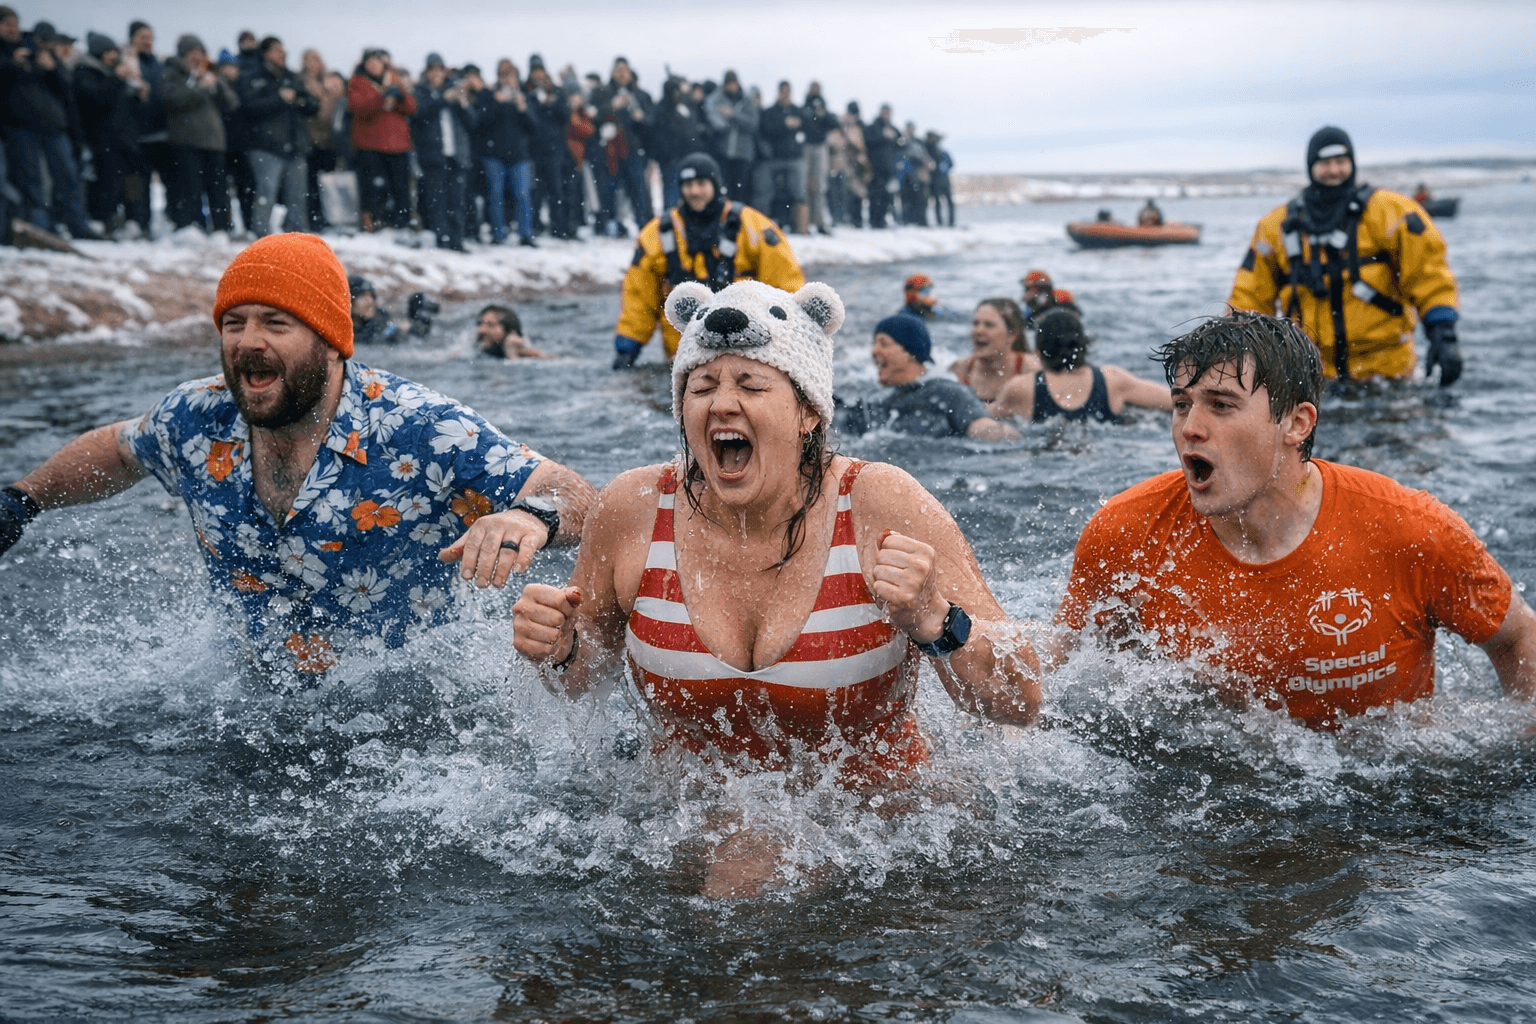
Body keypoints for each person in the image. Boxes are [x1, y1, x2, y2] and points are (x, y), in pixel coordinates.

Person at [511, 279, 1040, 894]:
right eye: (702, 387)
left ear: (808, 409)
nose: (722, 405)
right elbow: (582, 681)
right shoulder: (632, 509)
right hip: (681, 818)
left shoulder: (879, 502)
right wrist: (560, 648)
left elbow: (1019, 700)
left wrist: (934, 621)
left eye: (752, 385)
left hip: (879, 826)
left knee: (747, 873)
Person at [0, 234, 596, 677]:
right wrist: (20, 500)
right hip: (245, 707)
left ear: (330, 342)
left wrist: (528, 517)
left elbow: (577, 494)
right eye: (233, 323)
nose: (248, 342)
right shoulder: (197, 418)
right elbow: (118, 452)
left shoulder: (418, 426)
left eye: (276, 323)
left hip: (411, 722)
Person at [1054, 311, 1536, 730]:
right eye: (1182, 404)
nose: (1190, 428)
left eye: (1221, 405)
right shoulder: (1126, 534)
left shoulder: (1409, 529)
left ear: (1297, 423)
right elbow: (1058, 684)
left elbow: (1518, 638)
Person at [1229, 126, 1461, 385]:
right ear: (1310, 167)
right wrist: (1234, 353)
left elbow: (1429, 274)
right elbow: (1249, 294)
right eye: (1325, 163)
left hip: (1388, 372)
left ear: (1352, 163)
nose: (1334, 170)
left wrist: (1444, 336)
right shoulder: (1275, 227)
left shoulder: (1393, 212)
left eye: (1341, 162)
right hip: (1308, 376)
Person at [611, 151, 804, 367]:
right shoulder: (656, 235)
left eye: (701, 183)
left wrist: (796, 346)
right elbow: (639, 296)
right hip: (684, 360)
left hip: (749, 355)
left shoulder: (754, 227)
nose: (694, 191)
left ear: (715, 184)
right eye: (688, 184)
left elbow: (786, 287)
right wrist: (628, 346)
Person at [839, 313, 1020, 441]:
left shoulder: (947, 392)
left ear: (909, 352)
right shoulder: (872, 400)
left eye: (883, 343)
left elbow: (980, 425)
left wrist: (1001, 435)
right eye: (874, 343)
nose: (874, 350)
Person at [990, 308, 1172, 423]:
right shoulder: (1113, 379)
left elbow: (981, 421)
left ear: (1038, 351)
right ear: (1083, 344)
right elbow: (1174, 401)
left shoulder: (1021, 387)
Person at [237, 36, 317, 236]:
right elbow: (248, 108)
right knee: (266, 192)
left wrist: (299, 99)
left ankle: (297, 233)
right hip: (265, 146)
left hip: (295, 145)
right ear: (266, 53)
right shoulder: (252, 77)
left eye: (283, 49)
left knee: (298, 194)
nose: (282, 53)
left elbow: (312, 106)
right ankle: (260, 234)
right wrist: (278, 99)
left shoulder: (292, 77)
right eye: (276, 49)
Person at [161, 34, 238, 234]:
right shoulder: (173, 74)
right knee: (190, 188)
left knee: (219, 189)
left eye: (201, 52)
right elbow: (171, 100)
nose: (197, 57)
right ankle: (192, 227)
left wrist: (215, 86)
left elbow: (232, 103)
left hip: (215, 142)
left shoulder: (211, 75)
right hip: (186, 141)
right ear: (183, 55)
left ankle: (222, 227)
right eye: (193, 53)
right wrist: (197, 87)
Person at [347, 48, 415, 232]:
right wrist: (381, 98)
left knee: (400, 187)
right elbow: (357, 107)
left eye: (377, 61)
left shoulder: (394, 78)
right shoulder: (358, 82)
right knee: (373, 186)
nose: (374, 65)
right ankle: (373, 221)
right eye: (370, 61)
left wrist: (400, 97)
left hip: (398, 144)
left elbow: (411, 107)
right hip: (370, 144)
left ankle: (402, 221)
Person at [472, 58, 535, 247]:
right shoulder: (489, 96)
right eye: (504, 76)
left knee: (523, 195)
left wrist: (523, 109)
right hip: (493, 155)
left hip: (519, 156)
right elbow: (480, 122)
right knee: (496, 195)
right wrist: (497, 103)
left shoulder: (524, 97)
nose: (508, 80)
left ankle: (526, 234)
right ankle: (498, 233)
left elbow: (534, 128)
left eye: (512, 76)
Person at [949, 298, 1039, 403]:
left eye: (989, 325)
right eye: (975, 323)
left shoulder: (1032, 370)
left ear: (1012, 335)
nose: (978, 330)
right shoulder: (961, 369)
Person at [754, 80, 807, 234]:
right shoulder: (770, 112)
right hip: (773, 158)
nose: (785, 95)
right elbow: (766, 129)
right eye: (783, 91)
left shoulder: (798, 111)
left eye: (788, 92)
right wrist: (784, 124)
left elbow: (809, 127)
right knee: (764, 191)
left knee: (797, 192)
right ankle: (761, 227)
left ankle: (801, 228)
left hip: (794, 158)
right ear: (778, 92)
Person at [704, 70, 757, 208]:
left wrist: (732, 115)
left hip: (742, 153)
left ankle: (739, 220)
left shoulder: (747, 100)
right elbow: (715, 120)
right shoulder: (716, 99)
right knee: (724, 190)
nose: (731, 87)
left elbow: (753, 124)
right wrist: (728, 123)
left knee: (740, 190)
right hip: (722, 153)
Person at [476, 303, 546, 358]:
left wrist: (512, 354)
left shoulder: (523, 351)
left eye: (491, 325)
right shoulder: (480, 348)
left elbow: (552, 360)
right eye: (480, 324)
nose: (482, 330)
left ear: (508, 331)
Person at [347, 274, 401, 345]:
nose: (370, 301)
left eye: (371, 295)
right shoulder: (341, 332)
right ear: (349, 301)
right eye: (362, 296)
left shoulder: (386, 330)